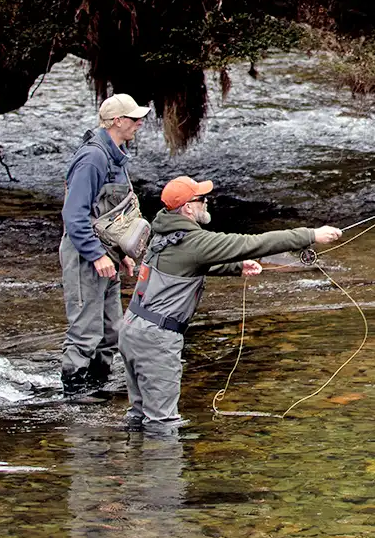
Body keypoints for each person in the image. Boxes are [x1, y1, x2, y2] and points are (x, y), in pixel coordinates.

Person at [120, 176, 342, 436]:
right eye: (201, 199)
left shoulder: (163, 233)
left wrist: (235, 267)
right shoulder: (195, 242)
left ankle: (133, 469)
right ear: (188, 208)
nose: (207, 202)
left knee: (138, 417)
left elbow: (181, 265)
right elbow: (252, 244)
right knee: (162, 426)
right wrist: (311, 235)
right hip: (156, 339)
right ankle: (163, 474)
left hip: (131, 329)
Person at [59, 93, 151, 403]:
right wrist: (96, 255)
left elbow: (112, 215)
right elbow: (74, 215)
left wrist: (121, 253)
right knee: (85, 329)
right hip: (86, 254)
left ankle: (96, 385)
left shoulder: (116, 156)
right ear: (116, 122)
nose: (139, 123)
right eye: (134, 118)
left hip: (106, 255)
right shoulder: (93, 158)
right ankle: (74, 392)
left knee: (112, 331)